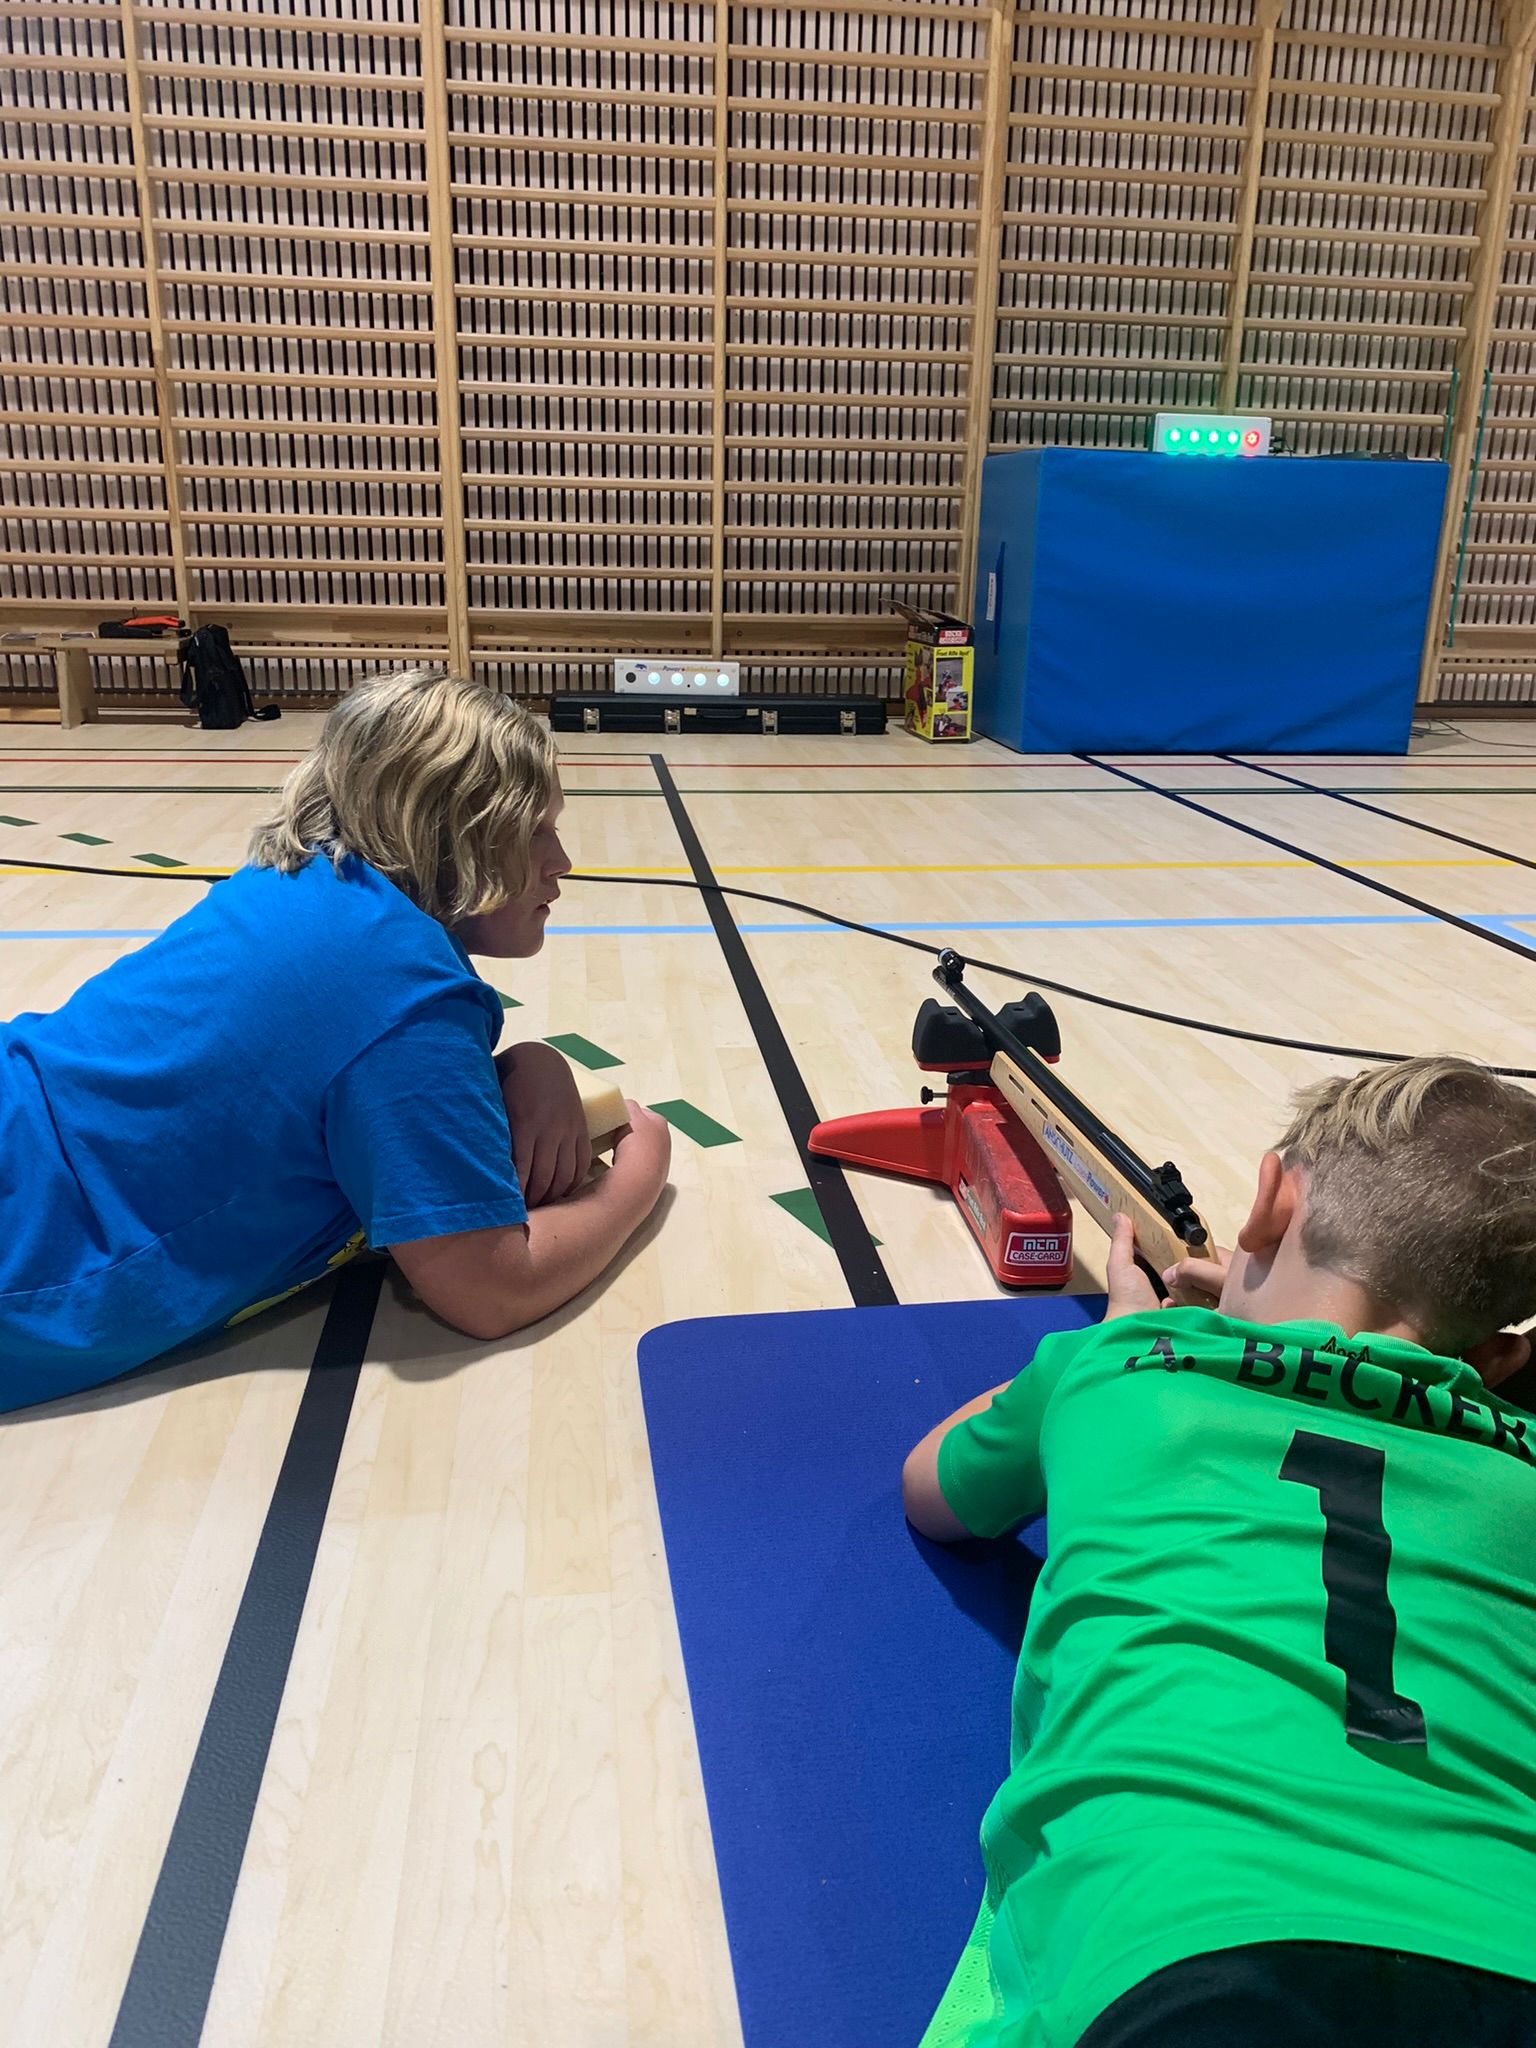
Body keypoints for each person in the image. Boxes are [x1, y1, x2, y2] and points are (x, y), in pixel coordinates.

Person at [902, 1058, 1536, 2048]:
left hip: (1192, 1943)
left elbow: (936, 1489)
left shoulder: (1112, 1369)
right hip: (1510, 1946)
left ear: (1269, 1203)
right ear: (1502, 1360)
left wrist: (1130, 1334)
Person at [0, 669, 671, 1412]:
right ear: (456, 835)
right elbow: (490, 1288)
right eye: (534, 829)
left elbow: (330, 1078)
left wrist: (526, 1064)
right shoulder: (406, 998)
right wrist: (637, 1179)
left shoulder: (309, 881)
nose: (561, 863)